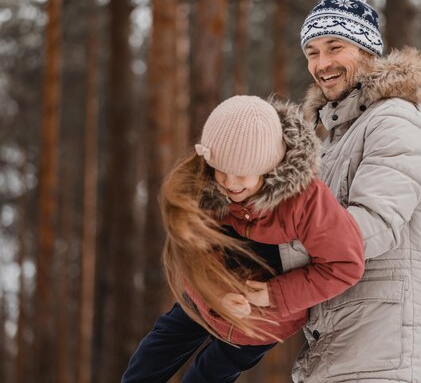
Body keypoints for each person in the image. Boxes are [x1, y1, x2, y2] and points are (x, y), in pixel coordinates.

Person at [121, 95, 364, 383]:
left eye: (243, 173)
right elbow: (194, 251)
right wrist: (217, 292)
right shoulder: (206, 187)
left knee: (210, 373)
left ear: (270, 165)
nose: (230, 183)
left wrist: (275, 295)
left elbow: (345, 264)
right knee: (153, 356)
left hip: (263, 321)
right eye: (221, 170)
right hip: (206, 298)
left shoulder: (307, 202)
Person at [281, 0, 421, 383]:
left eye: (334, 47)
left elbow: (370, 227)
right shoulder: (333, 138)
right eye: (312, 52)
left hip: (385, 353)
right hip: (340, 347)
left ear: (366, 51)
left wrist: (275, 254)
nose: (322, 63)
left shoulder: (395, 120)